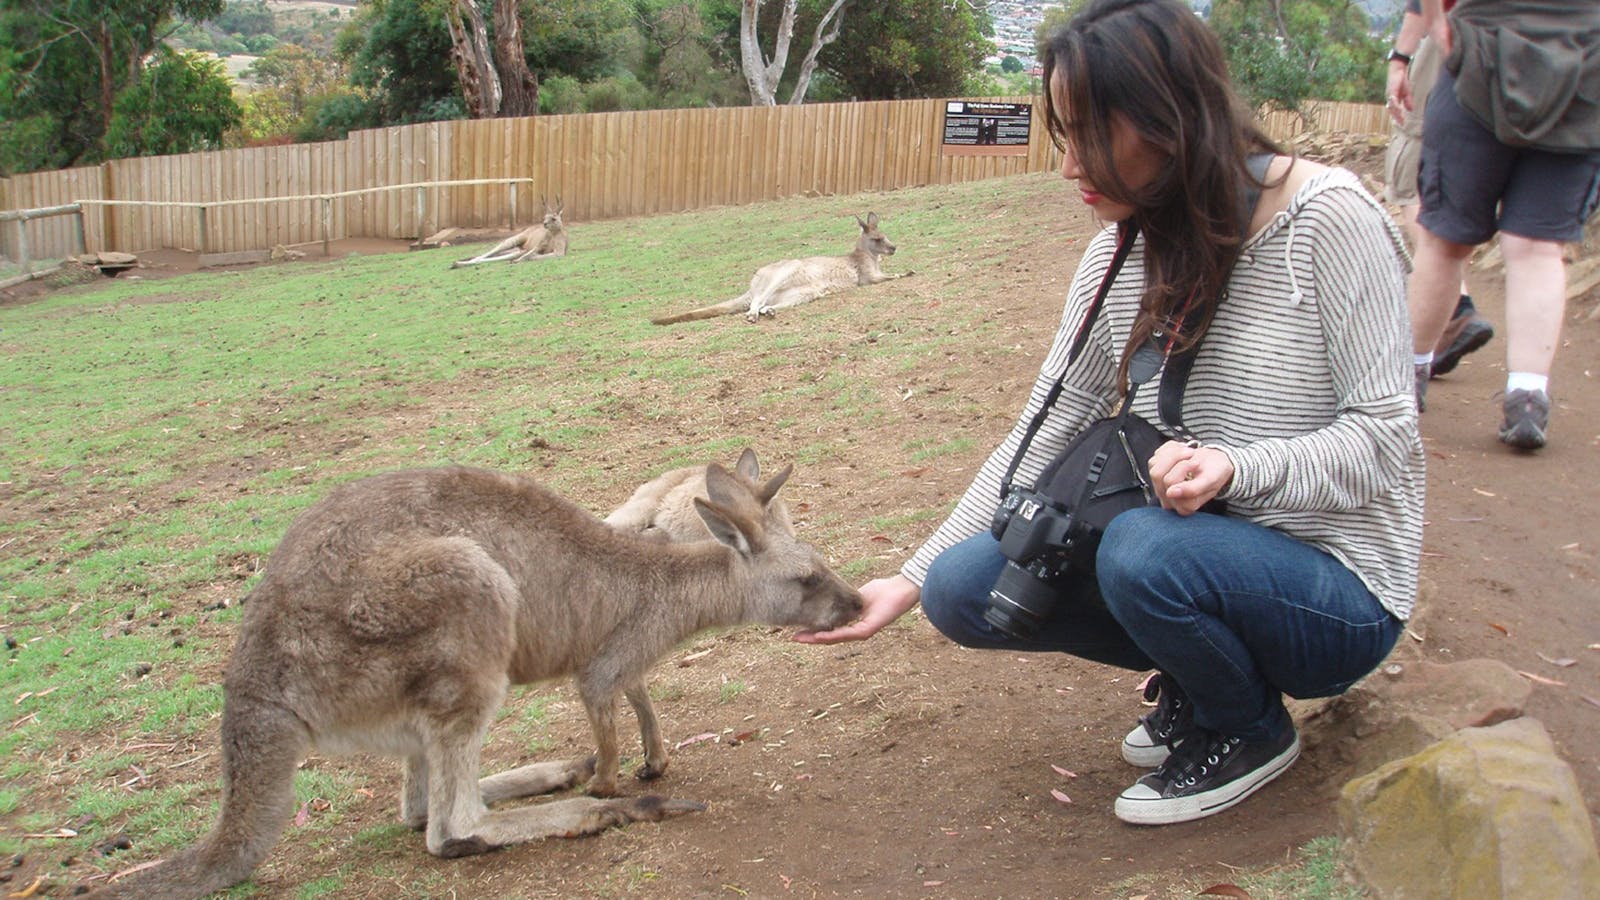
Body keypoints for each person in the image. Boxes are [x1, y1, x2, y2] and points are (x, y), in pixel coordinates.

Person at [796, 0, 1423, 827]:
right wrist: (911, 576)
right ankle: (1206, 678)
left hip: (1338, 587)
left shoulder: (1329, 221)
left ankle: (1249, 728)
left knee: (1141, 550)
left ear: (1170, 118)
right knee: (964, 589)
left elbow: (1388, 441)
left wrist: (1242, 466)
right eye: (1063, 134)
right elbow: (1046, 424)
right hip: (1199, 547)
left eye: (1089, 132)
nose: (1068, 166)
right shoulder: (1121, 249)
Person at [1406, 0, 1600, 447]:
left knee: (1444, 240)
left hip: (1485, 47)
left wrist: (1437, 24)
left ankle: (1407, 380)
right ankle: (1527, 398)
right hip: (1582, 65)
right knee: (1538, 247)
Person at [1383, 0, 1492, 400]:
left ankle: (1456, 309)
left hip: (1457, 35)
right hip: (1551, 55)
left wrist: (1401, 57)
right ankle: (1528, 390)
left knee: (1414, 179)